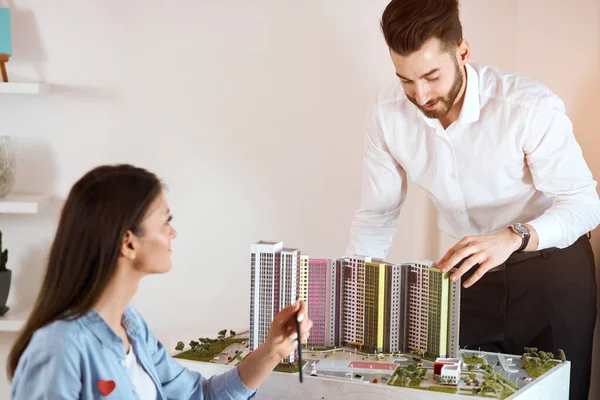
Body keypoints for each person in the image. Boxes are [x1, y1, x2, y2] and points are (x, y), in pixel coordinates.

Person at [345, 1, 599, 399]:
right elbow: (377, 214)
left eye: (431, 76)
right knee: (461, 392)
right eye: (406, 80)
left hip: (552, 270)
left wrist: (513, 236)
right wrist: (356, 296)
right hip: (470, 275)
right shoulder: (386, 115)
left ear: (462, 51)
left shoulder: (527, 107)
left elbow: (585, 205)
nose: (421, 95)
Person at [8, 164, 312, 399]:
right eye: (165, 221)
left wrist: (273, 350)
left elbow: (200, 396)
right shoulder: (59, 347)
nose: (173, 233)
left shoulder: (132, 328)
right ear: (128, 243)